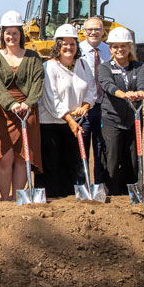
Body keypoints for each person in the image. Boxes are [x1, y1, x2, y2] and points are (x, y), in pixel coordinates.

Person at [0, 11, 45, 201]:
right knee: (5, 157)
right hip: (0, 112)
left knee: (22, 156)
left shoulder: (33, 57)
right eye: (7, 33)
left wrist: (27, 103)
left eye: (15, 32)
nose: (11, 36)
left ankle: (18, 198)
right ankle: (4, 199)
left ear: (21, 34)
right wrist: (11, 104)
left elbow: (38, 82)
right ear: (2, 34)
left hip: (27, 112)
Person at [37, 24, 97, 198]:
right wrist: (70, 120)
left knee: (72, 164)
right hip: (51, 123)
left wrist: (85, 106)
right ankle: (52, 201)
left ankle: (71, 200)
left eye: (72, 44)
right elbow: (51, 98)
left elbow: (91, 90)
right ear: (57, 46)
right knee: (52, 165)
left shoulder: (83, 65)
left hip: (75, 122)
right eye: (65, 44)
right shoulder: (49, 67)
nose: (69, 47)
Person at [98, 27, 144, 195]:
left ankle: (132, 191)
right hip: (112, 119)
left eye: (123, 46)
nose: (119, 50)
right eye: (115, 46)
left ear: (129, 47)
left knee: (134, 158)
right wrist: (124, 95)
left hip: (133, 119)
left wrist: (140, 92)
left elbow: (143, 83)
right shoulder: (105, 67)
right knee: (112, 158)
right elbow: (108, 86)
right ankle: (111, 191)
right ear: (111, 48)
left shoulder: (139, 67)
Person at [79, 16, 111, 186]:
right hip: (83, 107)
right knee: (82, 149)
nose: (93, 32)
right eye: (89, 29)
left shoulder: (110, 50)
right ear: (84, 32)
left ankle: (100, 185)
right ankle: (83, 185)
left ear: (103, 31)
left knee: (101, 148)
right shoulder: (76, 50)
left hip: (104, 106)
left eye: (97, 29)